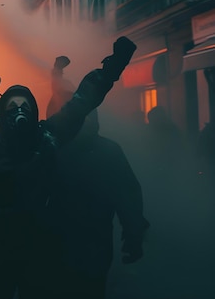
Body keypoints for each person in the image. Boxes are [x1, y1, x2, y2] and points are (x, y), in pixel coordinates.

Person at [0, 37, 137, 299]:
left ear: (34, 109)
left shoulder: (47, 136)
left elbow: (82, 101)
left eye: (25, 106)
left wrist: (113, 68)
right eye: (13, 107)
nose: (20, 112)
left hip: (38, 248)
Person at [46, 57, 148, 299]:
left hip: (54, 242)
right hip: (95, 242)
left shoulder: (49, 148)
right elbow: (129, 196)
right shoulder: (108, 150)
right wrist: (133, 236)